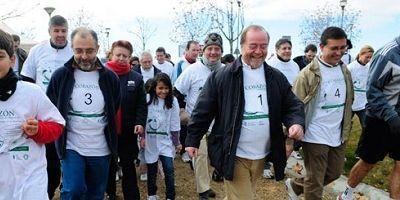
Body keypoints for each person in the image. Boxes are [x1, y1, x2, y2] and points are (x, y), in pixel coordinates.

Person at [185, 25, 305, 200]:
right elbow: (203, 110)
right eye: (253, 46)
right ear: (242, 46)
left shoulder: (275, 77)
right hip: (233, 153)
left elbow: (292, 104)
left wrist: (296, 122)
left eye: (263, 46)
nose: (258, 51)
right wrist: (193, 139)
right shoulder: (222, 76)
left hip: (261, 154)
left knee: (238, 195)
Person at [46, 27, 121, 200]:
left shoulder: (110, 78)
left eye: (89, 51)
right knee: (73, 190)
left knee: (96, 193)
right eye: (79, 51)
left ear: (98, 48)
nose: (84, 56)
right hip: (72, 145)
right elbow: (50, 106)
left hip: (100, 147)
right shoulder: (61, 76)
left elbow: (113, 106)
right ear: (72, 48)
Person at [287, 26, 354, 200]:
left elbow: (348, 100)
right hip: (314, 133)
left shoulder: (344, 70)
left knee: (334, 172)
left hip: (338, 133)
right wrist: (289, 138)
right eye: (334, 48)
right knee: (315, 181)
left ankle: (295, 186)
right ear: (322, 47)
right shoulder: (307, 75)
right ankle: (305, 189)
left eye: (342, 48)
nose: (339, 53)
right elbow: (293, 106)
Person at [0, 29, 65, 199]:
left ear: (12, 59)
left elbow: (57, 125)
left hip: (29, 180)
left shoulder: (31, 92)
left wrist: (38, 130)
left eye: (0, 57)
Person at [338, 36, 400, 200]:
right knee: (368, 162)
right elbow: (372, 90)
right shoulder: (388, 54)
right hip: (380, 119)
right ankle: (347, 194)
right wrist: (391, 116)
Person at [20, 15, 73, 199]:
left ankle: (68, 188)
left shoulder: (74, 51)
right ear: (49, 31)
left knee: (67, 153)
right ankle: (48, 191)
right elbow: (26, 79)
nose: (60, 34)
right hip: (43, 113)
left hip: (69, 111)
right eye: (56, 31)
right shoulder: (37, 51)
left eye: (63, 31)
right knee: (49, 157)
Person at [174, 33, 223, 200]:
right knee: (200, 157)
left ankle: (218, 174)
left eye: (217, 49)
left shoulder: (225, 71)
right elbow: (177, 92)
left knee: (218, 154)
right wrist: (182, 112)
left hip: (219, 123)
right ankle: (203, 189)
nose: (213, 52)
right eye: (210, 49)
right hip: (198, 122)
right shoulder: (192, 70)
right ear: (204, 50)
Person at [105, 40, 147, 200]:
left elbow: (141, 105)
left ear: (130, 57)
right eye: (118, 55)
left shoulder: (136, 78)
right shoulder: (102, 74)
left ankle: (131, 196)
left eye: (125, 55)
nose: (121, 58)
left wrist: (140, 122)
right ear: (111, 54)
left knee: (128, 166)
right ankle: (110, 193)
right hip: (106, 131)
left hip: (128, 132)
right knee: (109, 165)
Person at [141, 73, 181, 200]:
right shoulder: (147, 99)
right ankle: (152, 194)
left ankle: (170, 196)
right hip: (150, 141)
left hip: (166, 141)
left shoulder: (173, 101)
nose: (163, 91)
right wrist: (142, 137)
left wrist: (177, 142)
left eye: (166, 88)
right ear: (154, 88)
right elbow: (142, 119)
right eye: (160, 88)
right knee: (151, 171)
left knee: (169, 169)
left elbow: (175, 123)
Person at [347, 45, 374, 134]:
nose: (369, 59)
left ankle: (365, 147)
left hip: (363, 103)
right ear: (360, 54)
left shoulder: (370, 67)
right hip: (350, 103)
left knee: (367, 126)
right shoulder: (350, 67)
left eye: (370, 57)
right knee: (345, 126)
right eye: (367, 57)